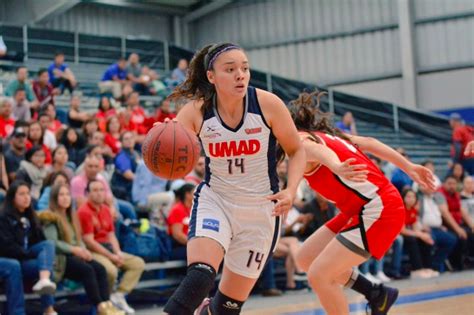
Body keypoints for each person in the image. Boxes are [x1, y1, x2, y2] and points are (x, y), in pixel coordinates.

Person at [162, 43, 306, 315]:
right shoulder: (197, 111)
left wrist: (291, 190)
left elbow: (297, 150)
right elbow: (170, 145)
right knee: (200, 276)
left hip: (262, 209)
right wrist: (162, 138)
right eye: (230, 69)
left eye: (245, 68)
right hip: (217, 201)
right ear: (211, 76)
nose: (240, 74)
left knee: (226, 309)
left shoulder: (268, 104)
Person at [281, 91, 436, 315]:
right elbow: (370, 142)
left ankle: (374, 294)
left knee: (319, 275)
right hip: (359, 208)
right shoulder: (328, 134)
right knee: (305, 258)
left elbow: (316, 151)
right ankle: (375, 292)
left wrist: (335, 165)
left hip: (380, 208)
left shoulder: (302, 141)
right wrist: (409, 167)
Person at [39, 184, 124, 315]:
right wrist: (75, 250)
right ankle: (100, 306)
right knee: (87, 270)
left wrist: (84, 251)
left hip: (75, 255)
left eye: (67, 194)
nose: (65, 198)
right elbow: (53, 243)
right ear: (55, 198)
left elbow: (79, 239)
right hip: (60, 259)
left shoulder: (71, 216)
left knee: (100, 268)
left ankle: (107, 304)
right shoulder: (50, 217)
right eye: (61, 195)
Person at [78, 179, 145, 314]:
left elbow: (111, 234)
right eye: (95, 190)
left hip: (109, 248)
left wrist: (118, 252)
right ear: (88, 194)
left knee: (138, 263)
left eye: (101, 190)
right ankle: (105, 303)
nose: (99, 193)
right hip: (93, 250)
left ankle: (118, 296)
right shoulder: (84, 212)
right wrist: (111, 257)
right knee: (110, 271)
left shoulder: (106, 209)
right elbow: (89, 241)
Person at [0, 181, 57, 315]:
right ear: (13, 198)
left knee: (47, 254)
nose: (26, 197)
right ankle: (18, 312)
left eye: (28, 193)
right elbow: (6, 247)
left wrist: (44, 258)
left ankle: (48, 308)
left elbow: (40, 240)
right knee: (14, 266)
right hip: (12, 257)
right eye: (22, 194)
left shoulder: (30, 215)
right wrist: (27, 253)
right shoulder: (3, 217)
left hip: (24, 256)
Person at [167, 181, 196, 260]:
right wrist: (195, 244)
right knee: (199, 253)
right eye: (195, 192)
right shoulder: (177, 209)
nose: (197, 194)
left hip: (189, 244)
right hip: (178, 246)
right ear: (187, 194)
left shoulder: (192, 209)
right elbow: (177, 235)